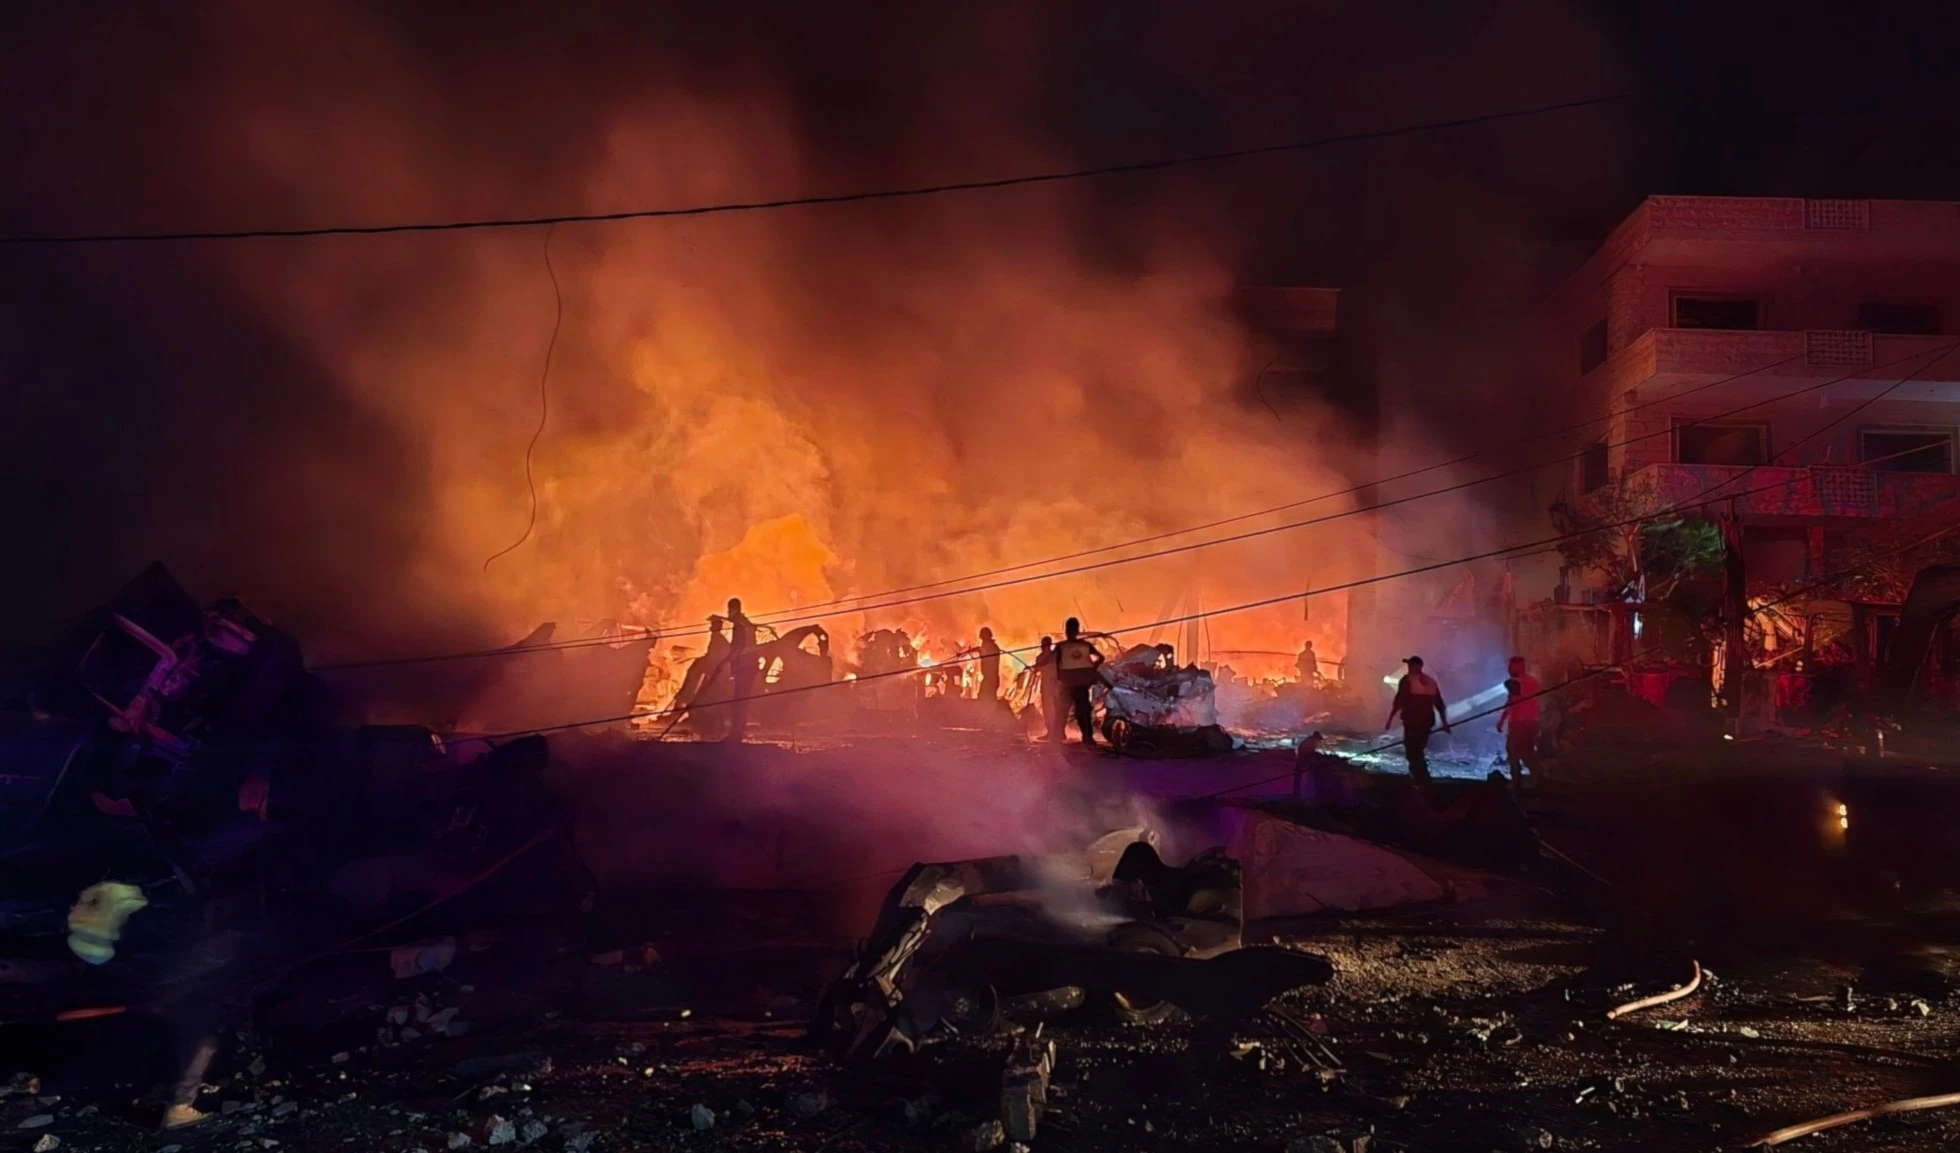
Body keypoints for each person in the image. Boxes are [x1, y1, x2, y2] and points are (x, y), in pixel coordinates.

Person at [1385, 655, 1450, 786]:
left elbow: (1399, 701)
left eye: (1410, 665)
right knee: (1419, 750)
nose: (1408, 667)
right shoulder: (1431, 682)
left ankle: (1420, 780)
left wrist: (1390, 719)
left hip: (1412, 721)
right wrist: (1444, 723)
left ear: (1417, 666)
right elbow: (1440, 705)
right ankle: (1422, 778)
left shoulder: (1407, 680)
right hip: (1426, 722)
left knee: (1411, 751)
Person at [1054, 617, 1105, 748]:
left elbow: (1053, 662)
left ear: (1066, 631)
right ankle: (1087, 738)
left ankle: (1057, 736)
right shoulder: (1085, 645)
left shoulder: (1061, 647)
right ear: (1077, 630)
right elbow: (1101, 657)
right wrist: (1091, 668)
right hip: (1081, 684)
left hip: (1067, 684)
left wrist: (1058, 676)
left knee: (1062, 711)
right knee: (1083, 712)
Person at [1495, 655, 1542, 788]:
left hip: (1519, 722)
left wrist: (1502, 720)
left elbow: (1511, 702)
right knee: (1527, 751)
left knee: (1512, 750)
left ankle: (1516, 781)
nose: (1508, 669)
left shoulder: (1515, 682)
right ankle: (1537, 778)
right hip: (1532, 721)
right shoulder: (1533, 681)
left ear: (1519, 666)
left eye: (1511, 666)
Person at [723, 597, 758, 743]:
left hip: (744, 666)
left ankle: (735, 735)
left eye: (729, 610)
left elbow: (737, 647)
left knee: (739, 701)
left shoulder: (739, 625)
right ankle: (737, 732)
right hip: (750, 666)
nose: (728, 613)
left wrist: (728, 662)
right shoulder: (746, 623)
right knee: (741, 700)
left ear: (733, 609)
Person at [977, 627, 1003, 703]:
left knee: (985, 700)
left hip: (990, 679)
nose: (982, 641)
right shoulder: (991, 647)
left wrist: (980, 652)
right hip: (991, 678)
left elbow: (986, 656)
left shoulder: (990, 647)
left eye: (983, 639)